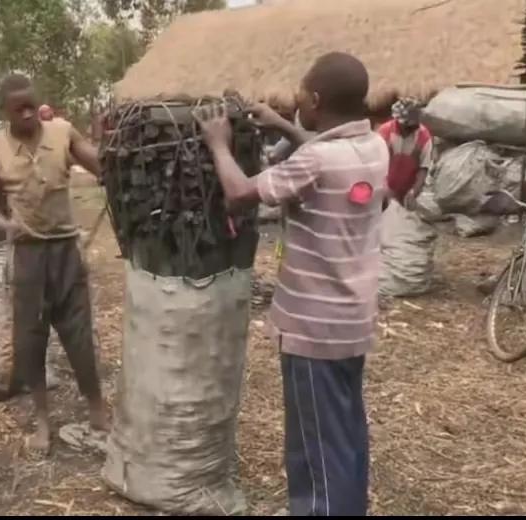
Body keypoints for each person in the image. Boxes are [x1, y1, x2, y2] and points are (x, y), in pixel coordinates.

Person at [194, 52, 388, 516]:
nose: (296, 97)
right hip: (352, 322)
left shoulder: (318, 160)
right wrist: (284, 123)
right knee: (342, 433)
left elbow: (241, 195)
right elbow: (320, 155)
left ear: (316, 99)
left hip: (311, 328)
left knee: (315, 442)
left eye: (301, 92)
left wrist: (218, 144)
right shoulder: (374, 148)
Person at [0, 73, 107, 454]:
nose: (27, 113)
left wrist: (102, 138)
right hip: (28, 255)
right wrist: (7, 224)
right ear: (4, 111)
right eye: (18, 108)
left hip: (66, 250)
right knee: (30, 341)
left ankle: (97, 410)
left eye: (31, 105)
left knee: (80, 335)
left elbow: (103, 167)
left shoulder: (63, 133)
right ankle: (41, 420)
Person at [378, 97, 433, 208]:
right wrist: (384, 188)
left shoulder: (424, 137)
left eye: (414, 126)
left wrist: (413, 192)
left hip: (406, 195)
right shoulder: (384, 132)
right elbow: (375, 165)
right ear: (398, 121)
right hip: (383, 191)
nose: (411, 129)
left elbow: (423, 169)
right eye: (407, 126)